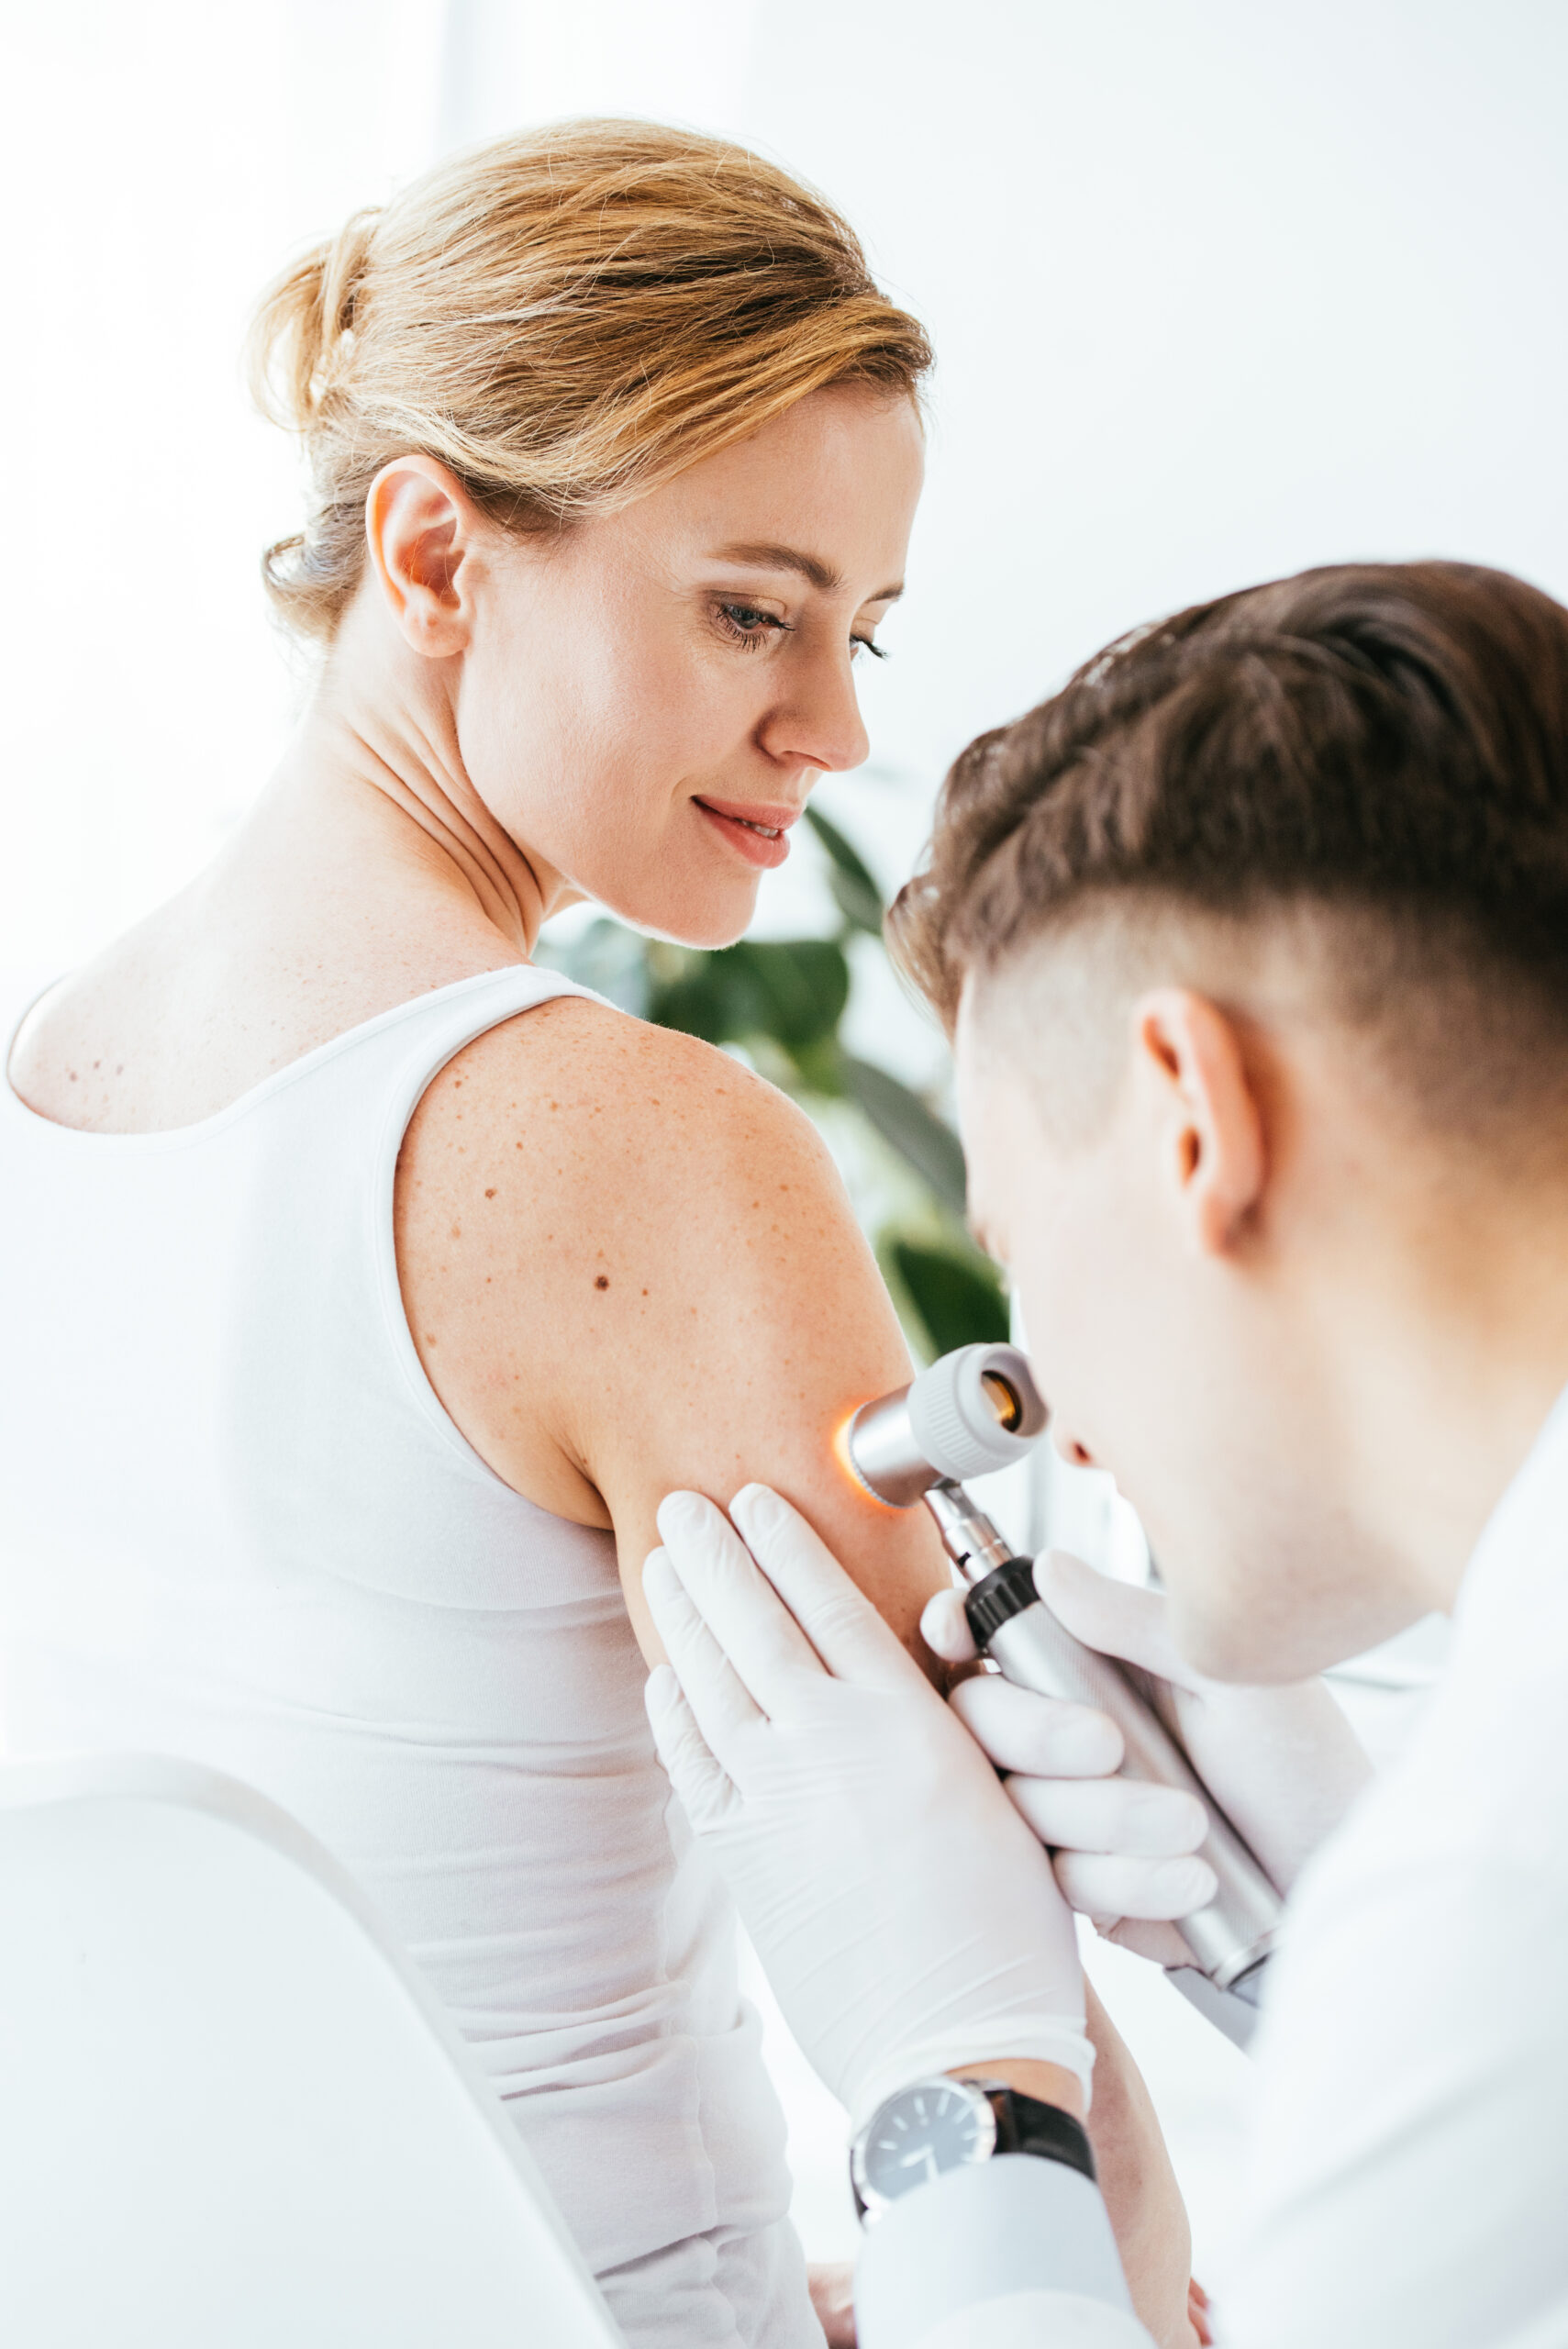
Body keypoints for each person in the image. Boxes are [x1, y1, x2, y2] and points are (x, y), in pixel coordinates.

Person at [0, 119, 971, 2349]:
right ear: (435, 552)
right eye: (754, 608)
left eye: (864, 632)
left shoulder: (34, 1079)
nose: (829, 725)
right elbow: (975, 2011)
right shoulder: (635, 1148)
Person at [642, 561, 1568, 2347]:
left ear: (1190, 1108)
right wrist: (1315, 1958)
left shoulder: (1501, 1886)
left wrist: (960, 2102)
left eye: (1021, 1242)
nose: (1045, 1388)